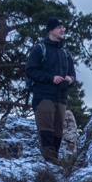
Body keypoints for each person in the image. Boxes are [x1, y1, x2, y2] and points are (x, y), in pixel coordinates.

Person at [25, 18, 76, 164]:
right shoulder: (39, 49)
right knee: (46, 131)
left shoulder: (66, 54)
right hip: (43, 96)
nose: (63, 30)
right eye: (59, 27)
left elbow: (73, 74)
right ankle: (50, 163)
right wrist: (51, 78)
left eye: (64, 27)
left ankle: (54, 163)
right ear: (51, 30)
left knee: (58, 134)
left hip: (61, 98)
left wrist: (70, 79)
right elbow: (30, 70)